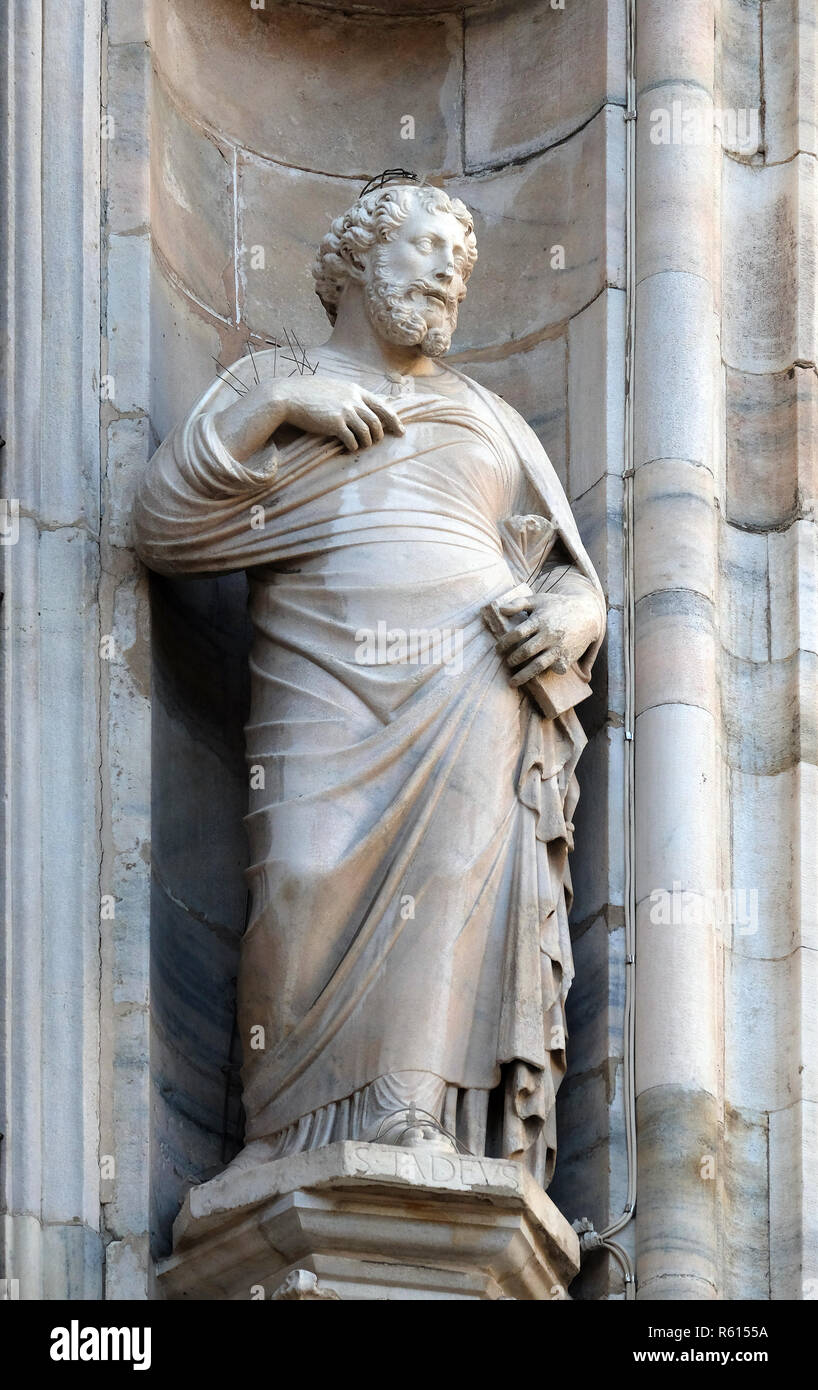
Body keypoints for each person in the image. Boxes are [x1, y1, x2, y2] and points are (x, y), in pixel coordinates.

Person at [134, 174, 605, 1188]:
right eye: (425, 247)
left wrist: (573, 614)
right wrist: (275, 404)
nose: (446, 274)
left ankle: (409, 1112)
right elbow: (166, 525)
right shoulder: (278, 378)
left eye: (460, 264)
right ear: (355, 258)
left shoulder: (482, 415)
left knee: (445, 887)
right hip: (323, 684)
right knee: (302, 873)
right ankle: (279, 1138)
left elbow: (565, 568)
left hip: (470, 687)